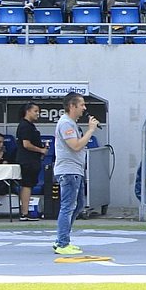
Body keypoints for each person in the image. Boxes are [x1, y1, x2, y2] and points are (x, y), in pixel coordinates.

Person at [51, 92, 98, 256]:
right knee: (68, 206)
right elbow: (76, 146)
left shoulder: (71, 123)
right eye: (82, 104)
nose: (84, 108)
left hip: (75, 170)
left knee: (78, 205)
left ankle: (62, 238)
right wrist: (90, 130)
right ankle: (62, 242)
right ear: (72, 106)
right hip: (68, 171)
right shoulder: (66, 123)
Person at [15, 102, 47, 220]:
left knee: (29, 185)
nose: (38, 114)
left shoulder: (30, 126)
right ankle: (24, 213)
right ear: (28, 111)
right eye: (35, 111)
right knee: (27, 185)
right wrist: (41, 150)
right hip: (27, 161)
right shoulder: (25, 126)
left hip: (33, 160)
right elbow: (26, 144)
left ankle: (25, 212)